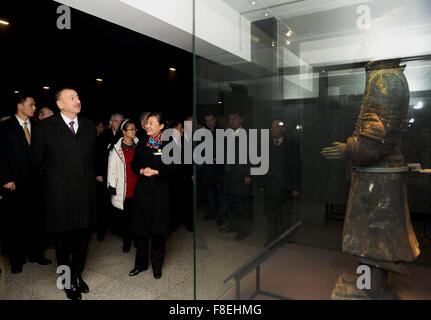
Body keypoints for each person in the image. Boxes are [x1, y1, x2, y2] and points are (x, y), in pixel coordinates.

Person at [31, 88, 98, 300]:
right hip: (59, 196)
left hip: (85, 194)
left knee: (82, 238)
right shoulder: (44, 127)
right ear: (60, 104)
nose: (78, 100)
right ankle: (66, 280)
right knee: (62, 241)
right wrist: (55, 182)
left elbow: (92, 160)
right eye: (72, 98)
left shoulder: (88, 126)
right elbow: (36, 163)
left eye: (78, 97)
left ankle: (77, 274)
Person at [0, 94, 51, 274]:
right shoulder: (5, 127)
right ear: (20, 106)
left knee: (37, 220)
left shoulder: (37, 127)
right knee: (16, 222)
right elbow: (1, 155)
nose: (34, 108)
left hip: (36, 184)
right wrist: (6, 178)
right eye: (31, 104)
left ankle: (37, 254)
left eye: (35, 104)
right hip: (14, 183)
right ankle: (16, 258)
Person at [129, 112, 176, 279]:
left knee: (158, 232)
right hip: (142, 192)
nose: (147, 126)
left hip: (160, 193)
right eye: (147, 123)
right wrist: (141, 170)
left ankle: (157, 266)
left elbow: (175, 168)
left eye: (152, 123)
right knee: (140, 231)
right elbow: (134, 164)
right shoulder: (142, 142)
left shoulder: (169, 143)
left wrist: (157, 171)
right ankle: (140, 265)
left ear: (161, 126)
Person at [259, 119, 302, 246]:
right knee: (271, 215)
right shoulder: (266, 144)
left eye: (277, 127)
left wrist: (296, 187)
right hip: (270, 186)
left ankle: (284, 240)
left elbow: (297, 167)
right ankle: (271, 238)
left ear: (283, 129)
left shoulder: (292, 144)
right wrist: (261, 184)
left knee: (285, 215)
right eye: (272, 127)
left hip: (285, 186)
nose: (274, 129)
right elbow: (262, 164)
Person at [219, 110, 252, 241]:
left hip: (241, 175)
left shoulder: (247, 135)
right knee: (230, 203)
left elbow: (251, 155)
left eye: (235, 118)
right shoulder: (227, 134)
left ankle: (244, 231)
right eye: (230, 118)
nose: (232, 121)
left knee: (242, 204)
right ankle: (233, 225)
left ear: (241, 119)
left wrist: (248, 174)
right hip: (228, 175)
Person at [106, 119, 139, 253]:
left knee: (138, 216)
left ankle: (138, 239)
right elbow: (111, 170)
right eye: (131, 129)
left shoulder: (139, 145)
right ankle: (127, 240)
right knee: (125, 218)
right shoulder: (115, 149)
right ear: (124, 132)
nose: (134, 131)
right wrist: (111, 187)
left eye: (135, 129)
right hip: (124, 188)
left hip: (139, 187)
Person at [202, 112, 224, 222]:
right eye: (207, 121)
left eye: (211, 120)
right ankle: (211, 212)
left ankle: (221, 215)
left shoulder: (221, 131)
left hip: (218, 168)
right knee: (209, 192)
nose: (209, 122)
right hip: (208, 167)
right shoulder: (203, 133)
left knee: (220, 193)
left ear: (215, 120)